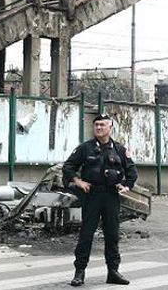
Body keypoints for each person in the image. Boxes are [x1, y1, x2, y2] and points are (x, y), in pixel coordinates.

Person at [62, 114, 137, 287]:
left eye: (102, 125)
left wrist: (125, 186)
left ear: (110, 127)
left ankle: (113, 271)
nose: (98, 128)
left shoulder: (119, 149)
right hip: (92, 195)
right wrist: (78, 181)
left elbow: (131, 171)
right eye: (96, 125)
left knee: (112, 235)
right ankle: (79, 272)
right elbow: (68, 167)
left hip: (111, 196)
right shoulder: (85, 148)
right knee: (86, 234)